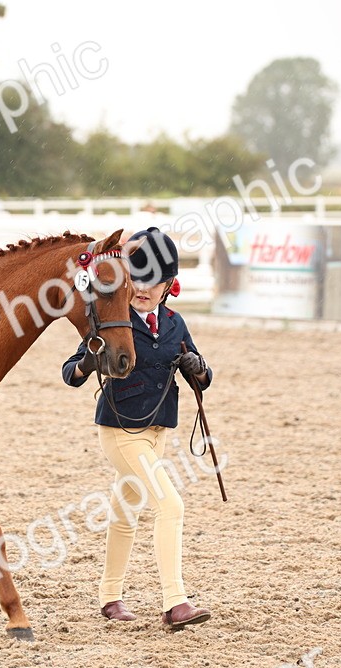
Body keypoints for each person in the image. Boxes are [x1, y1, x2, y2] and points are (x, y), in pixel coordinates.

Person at [61, 227, 214, 630]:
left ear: (169, 285)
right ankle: (175, 603)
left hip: (158, 430)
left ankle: (110, 597)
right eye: (137, 278)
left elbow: (202, 374)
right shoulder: (116, 318)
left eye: (154, 281)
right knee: (170, 504)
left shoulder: (175, 324)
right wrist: (90, 362)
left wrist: (198, 369)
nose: (143, 289)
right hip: (119, 430)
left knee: (125, 509)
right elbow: (71, 373)